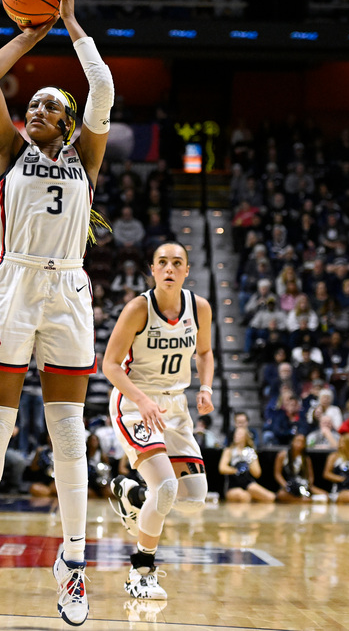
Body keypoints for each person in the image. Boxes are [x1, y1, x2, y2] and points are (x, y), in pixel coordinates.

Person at [0, 0, 114, 627]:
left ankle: (73, 565)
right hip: (15, 282)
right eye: (37, 106)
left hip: (69, 286)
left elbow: (101, 86)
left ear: (70, 123)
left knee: (69, 435)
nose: (39, 111)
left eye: (52, 106)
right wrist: (30, 35)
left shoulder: (88, 159)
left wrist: (73, 27)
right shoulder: (7, 151)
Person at [102, 243, 214, 601]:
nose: (169, 268)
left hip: (175, 408)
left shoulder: (200, 308)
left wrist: (206, 387)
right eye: (162, 262)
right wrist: (142, 399)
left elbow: (206, 352)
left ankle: (132, 495)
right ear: (153, 269)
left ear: (186, 270)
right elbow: (109, 365)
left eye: (176, 263)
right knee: (165, 489)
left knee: (195, 497)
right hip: (136, 405)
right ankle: (141, 572)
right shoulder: (138, 308)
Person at [219, 428, 275, 503]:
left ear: (246, 437)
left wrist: (249, 461)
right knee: (244, 496)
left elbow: (257, 473)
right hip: (233, 485)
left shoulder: (250, 452)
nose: (237, 436)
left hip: (248, 483)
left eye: (240, 434)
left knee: (270, 497)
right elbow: (222, 468)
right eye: (236, 434)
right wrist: (236, 470)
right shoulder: (229, 451)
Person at [273, 433, 325, 502]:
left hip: (303, 486)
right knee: (281, 495)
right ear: (292, 442)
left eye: (302, 442)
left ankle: (305, 499)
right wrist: (286, 486)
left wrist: (307, 486)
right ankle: (303, 500)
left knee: (325, 495)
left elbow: (310, 477)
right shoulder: (282, 455)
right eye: (297, 441)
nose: (299, 444)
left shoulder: (306, 459)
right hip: (288, 486)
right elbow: (277, 474)